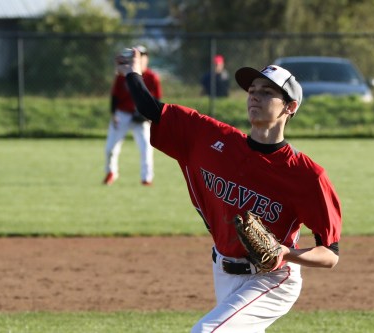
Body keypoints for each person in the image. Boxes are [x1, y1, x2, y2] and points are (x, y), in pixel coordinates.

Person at [118, 48, 342, 332]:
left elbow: (330, 254)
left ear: (290, 107)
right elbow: (152, 109)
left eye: (267, 92)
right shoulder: (210, 138)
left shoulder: (307, 176)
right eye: (252, 90)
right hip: (223, 270)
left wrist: (286, 253)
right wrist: (132, 72)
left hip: (273, 279)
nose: (255, 96)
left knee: (207, 331)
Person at [103, 45, 162, 186]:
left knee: (146, 148)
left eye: (142, 55)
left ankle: (146, 178)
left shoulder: (152, 77)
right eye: (137, 55)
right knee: (111, 147)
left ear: (146, 58)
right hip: (122, 113)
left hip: (142, 116)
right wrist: (113, 114)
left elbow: (157, 100)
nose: (140, 58)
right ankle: (111, 172)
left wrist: (150, 116)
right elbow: (115, 96)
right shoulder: (123, 75)